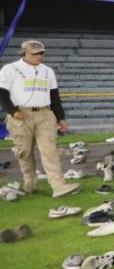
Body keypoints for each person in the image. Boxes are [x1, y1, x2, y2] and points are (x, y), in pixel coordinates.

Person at [0, 40, 80, 197]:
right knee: (24, 152)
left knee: (50, 150)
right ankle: (29, 182)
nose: (39, 56)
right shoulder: (10, 69)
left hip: (45, 113)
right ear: (24, 53)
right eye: (35, 53)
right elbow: (2, 93)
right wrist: (12, 111)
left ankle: (58, 186)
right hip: (21, 114)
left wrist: (60, 117)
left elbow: (54, 96)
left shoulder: (48, 71)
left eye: (41, 53)